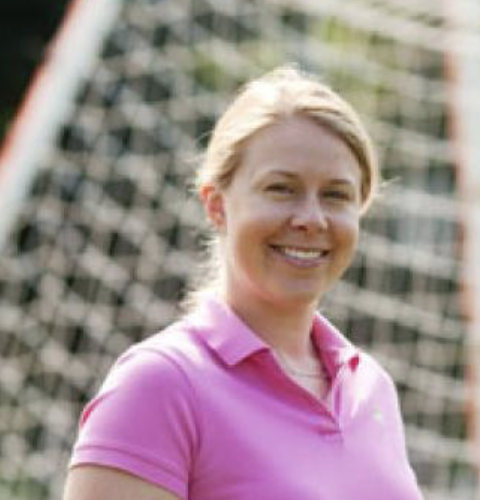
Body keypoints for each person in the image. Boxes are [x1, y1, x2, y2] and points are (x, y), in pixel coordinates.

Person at [63, 66, 423, 500]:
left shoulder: (371, 389)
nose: (311, 219)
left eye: (336, 195)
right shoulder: (160, 384)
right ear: (216, 206)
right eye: (281, 188)